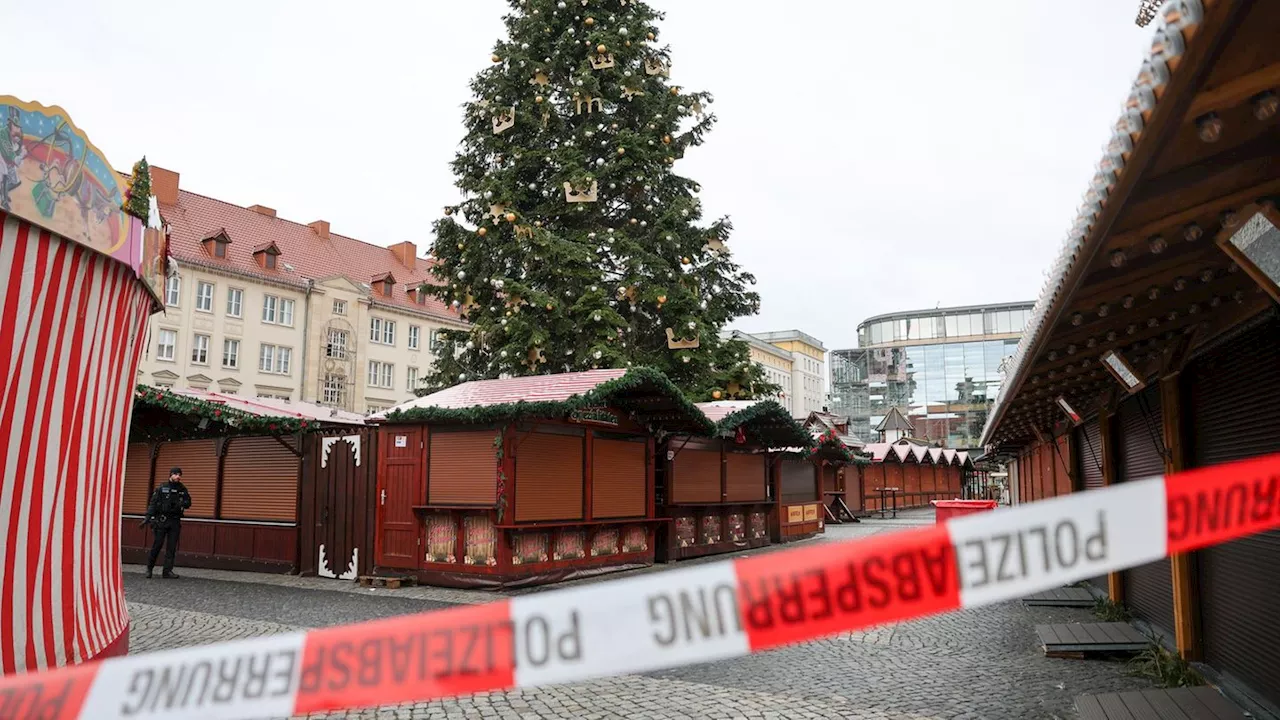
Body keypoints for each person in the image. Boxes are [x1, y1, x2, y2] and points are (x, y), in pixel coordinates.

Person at [143, 467, 192, 578]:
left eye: (179, 474)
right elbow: (153, 503)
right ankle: (149, 568)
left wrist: (182, 503)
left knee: (171, 547)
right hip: (162, 520)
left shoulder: (182, 489)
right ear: (170, 475)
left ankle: (167, 571)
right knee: (157, 545)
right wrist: (148, 517)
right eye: (175, 474)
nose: (178, 476)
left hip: (174, 521)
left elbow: (188, 502)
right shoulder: (162, 487)